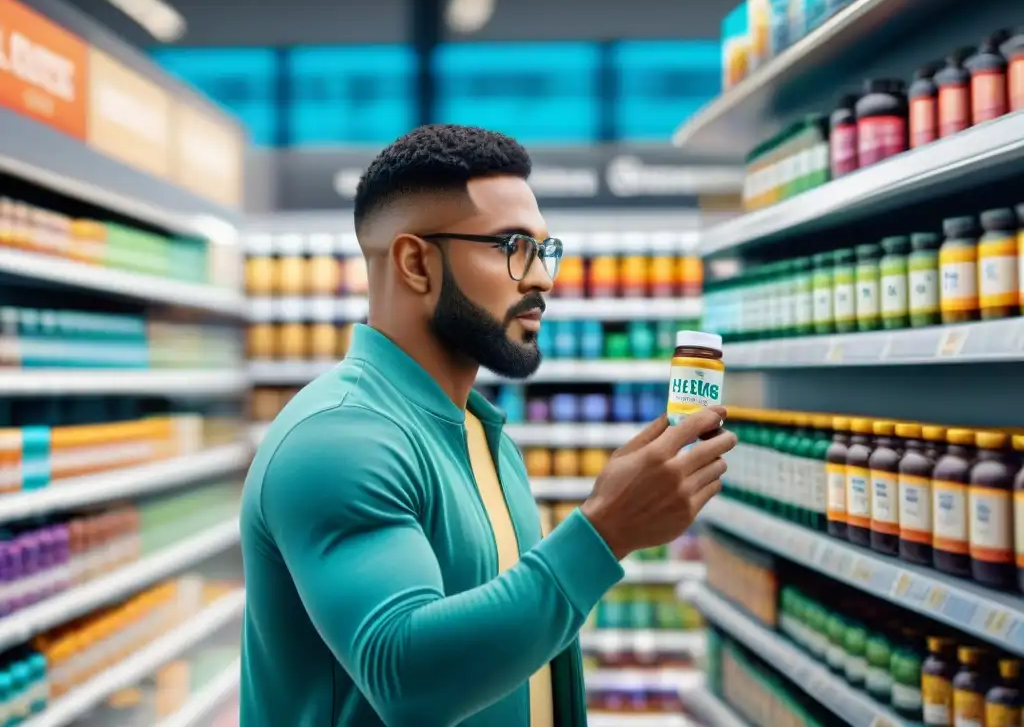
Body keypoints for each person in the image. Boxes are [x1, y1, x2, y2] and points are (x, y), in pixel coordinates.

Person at [239, 124, 735, 727]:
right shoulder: (336, 438)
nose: (542, 279)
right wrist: (607, 530)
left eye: (545, 251)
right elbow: (406, 676)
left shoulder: (481, 432)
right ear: (416, 263)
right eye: (513, 247)